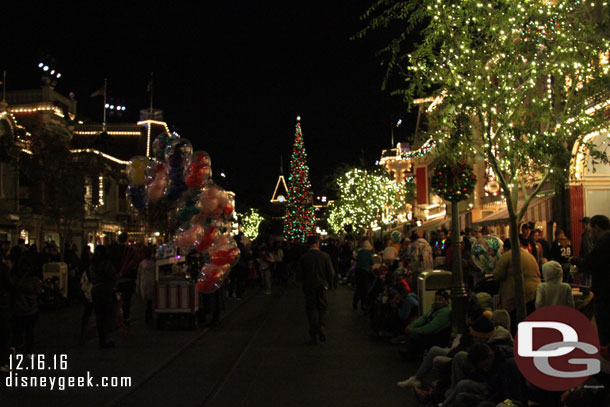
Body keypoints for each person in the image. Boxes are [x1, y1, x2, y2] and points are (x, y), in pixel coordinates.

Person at [577, 214, 610, 345]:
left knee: (605, 328)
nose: (590, 234)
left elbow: (589, 263)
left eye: (591, 230)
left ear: (596, 228)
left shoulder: (603, 243)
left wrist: (575, 261)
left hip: (605, 293)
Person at [492, 247, 541, 334]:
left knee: (515, 325)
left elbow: (497, 275)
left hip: (515, 296)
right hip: (534, 294)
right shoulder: (530, 256)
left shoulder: (506, 256)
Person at [297, 235, 334, 345]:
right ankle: (321, 326)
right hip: (321, 286)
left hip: (309, 286)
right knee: (322, 307)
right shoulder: (325, 256)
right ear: (317, 244)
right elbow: (331, 273)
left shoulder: (304, 257)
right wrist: (328, 284)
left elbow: (299, 275)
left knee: (311, 308)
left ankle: (314, 332)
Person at [399, 290, 451, 357]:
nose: (437, 301)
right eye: (436, 299)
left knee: (413, 334)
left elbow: (430, 328)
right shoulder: (435, 308)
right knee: (411, 329)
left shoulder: (444, 312)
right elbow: (424, 318)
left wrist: (412, 330)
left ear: (446, 302)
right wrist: (412, 324)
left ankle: (413, 354)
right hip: (430, 334)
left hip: (436, 338)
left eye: (440, 299)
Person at [11, 251, 42, 357]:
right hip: (31, 309)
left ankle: (13, 347)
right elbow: (38, 292)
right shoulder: (34, 279)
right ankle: (29, 352)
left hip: (18, 308)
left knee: (17, 330)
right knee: (30, 331)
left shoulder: (15, 277)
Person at [90, 245, 118, 349]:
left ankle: (101, 338)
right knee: (108, 315)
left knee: (99, 315)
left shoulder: (93, 264)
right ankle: (107, 338)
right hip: (106, 290)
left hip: (95, 289)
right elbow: (112, 275)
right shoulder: (106, 264)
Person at [0, 254, 14, 372]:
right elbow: (10, 286)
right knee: (4, 334)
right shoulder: (3, 269)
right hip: (2, 303)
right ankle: (3, 362)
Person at [136, 246, 156, 324]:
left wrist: (137, 287)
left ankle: (146, 316)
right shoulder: (153, 264)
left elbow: (139, 275)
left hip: (144, 283)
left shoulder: (142, 264)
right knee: (150, 302)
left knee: (146, 302)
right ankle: (150, 315)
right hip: (151, 283)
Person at [353, 240, 374, 311]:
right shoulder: (368, 253)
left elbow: (356, 259)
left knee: (358, 287)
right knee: (364, 288)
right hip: (365, 271)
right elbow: (372, 262)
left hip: (358, 271)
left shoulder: (360, 252)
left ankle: (355, 303)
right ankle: (363, 304)